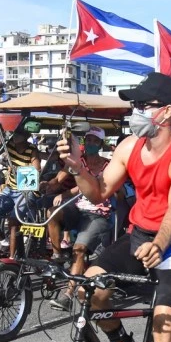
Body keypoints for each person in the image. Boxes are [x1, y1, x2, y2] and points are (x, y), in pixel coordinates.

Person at [56, 72, 171, 342]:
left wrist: (160, 244)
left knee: (164, 330)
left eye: (144, 105)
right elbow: (98, 192)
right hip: (140, 235)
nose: (136, 112)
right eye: (135, 106)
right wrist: (77, 167)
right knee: (88, 291)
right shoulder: (129, 146)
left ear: (166, 112)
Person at [49, 126, 114, 310]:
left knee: (79, 249)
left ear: (100, 143)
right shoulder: (78, 161)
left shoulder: (108, 165)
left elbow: (96, 188)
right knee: (53, 211)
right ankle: (57, 255)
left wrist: (71, 191)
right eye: (88, 140)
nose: (91, 143)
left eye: (95, 140)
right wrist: (51, 184)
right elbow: (61, 177)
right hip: (79, 209)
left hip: (98, 213)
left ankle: (68, 295)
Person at [0, 118, 42, 258]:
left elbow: (36, 170)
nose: (14, 135)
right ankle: (4, 242)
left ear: (25, 136)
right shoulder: (8, 145)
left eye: (17, 134)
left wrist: (21, 171)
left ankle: (12, 257)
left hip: (26, 191)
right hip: (10, 189)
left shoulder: (31, 150)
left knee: (13, 221)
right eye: (13, 133)